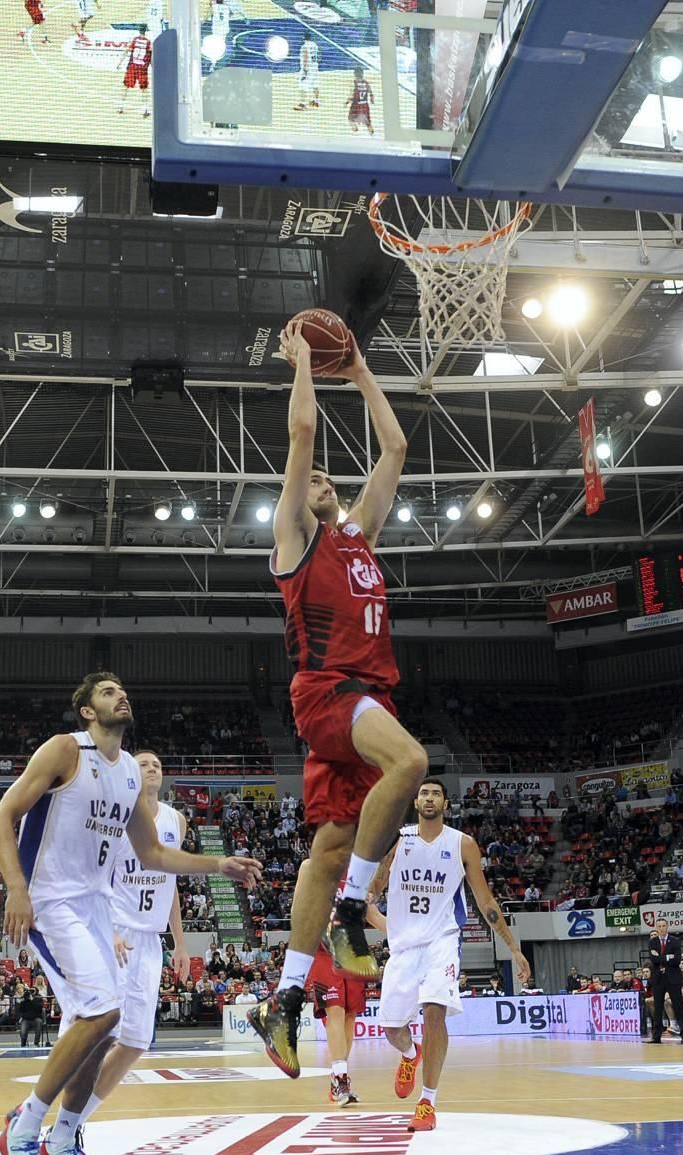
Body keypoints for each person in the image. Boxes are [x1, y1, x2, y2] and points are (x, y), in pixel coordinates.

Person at [0, 672, 261, 1155]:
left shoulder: (130, 773)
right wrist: (16, 889)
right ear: (88, 710)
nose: (121, 695)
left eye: (122, 690)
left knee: (108, 1030)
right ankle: (23, 1130)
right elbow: (2, 818)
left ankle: (63, 1140)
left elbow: (153, 854)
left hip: (93, 904)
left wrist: (218, 863)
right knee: (102, 1010)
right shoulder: (65, 750)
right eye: (108, 692)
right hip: (49, 900)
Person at [247, 320, 427, 1078]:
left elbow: (394, 451)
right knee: (413, 761)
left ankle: (283, 999)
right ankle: (355, 908)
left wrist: (358, 370)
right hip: (330, 692)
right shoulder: (294, 538)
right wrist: (303, 366)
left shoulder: (358, 536)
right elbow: (300, 431)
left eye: (325, 480)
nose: (318, 481)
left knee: (324, 851)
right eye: (311, 478)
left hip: (361, 701)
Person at [371, 778, 530, 1132]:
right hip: (402, 946)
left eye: (436, 794)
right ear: (416, 802)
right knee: (392, 1029)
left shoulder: (463, 844)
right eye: (424, 792)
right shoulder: (400, 839)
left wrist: (514, 948)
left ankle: (427, 1101)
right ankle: (411, 1054)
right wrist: (359, 904)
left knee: (434, 1013)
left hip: (441, 941)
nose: (429, 797)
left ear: (445, 803)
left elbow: (486, 903)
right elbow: (376, 885)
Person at [55, 748, 191, 1130]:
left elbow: (172, 883)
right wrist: (108, 930)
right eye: (144, 764)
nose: (152, 769)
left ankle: (74, 1123)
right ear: (132, 773)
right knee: (97, 1033)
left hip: (150, 941)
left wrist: (179, 943)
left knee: (135, 1042)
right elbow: (94, 877)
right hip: (113, 934)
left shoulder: (176, 822)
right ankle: (49, 1118)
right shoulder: (115, 819)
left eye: (157, 765)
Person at [297, 859, 384, 1105]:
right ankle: (340, 1077)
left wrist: (406, 932)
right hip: (325, 950)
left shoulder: (360, 873)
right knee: (334, 1012)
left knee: (349, 1016)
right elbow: (298, 910)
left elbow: (372, 915)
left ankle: (339, 1080)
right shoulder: (310, 866)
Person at [648, 919, 683, 1044]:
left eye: (663, 926)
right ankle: (656, 1037)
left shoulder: (675, 941)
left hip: (673, 978)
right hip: (658, 978)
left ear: (667, 927)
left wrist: (660, 957)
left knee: (678, 1006)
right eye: (659, 926)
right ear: (656, 927)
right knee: (658, 1008)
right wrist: (667, 956)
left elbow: (676, 960)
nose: (661, 928)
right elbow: (653, 960)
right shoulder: (653, 941)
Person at [117, 26, 152, 118]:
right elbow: (151, 57)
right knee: (144, 89)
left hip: (133, 66)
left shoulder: (135, 40)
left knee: (125, 86)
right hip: (142, 68)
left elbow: (126, 51)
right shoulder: (148, 42)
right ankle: (145, 109)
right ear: (145, 31)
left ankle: (121, 106)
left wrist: (120, 62)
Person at [295, 35, 320, 111]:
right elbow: (319, 56)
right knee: (315, 84)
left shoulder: (304, 46)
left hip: (308, 68)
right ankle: (316, 101)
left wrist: (305, 70)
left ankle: (302, 104)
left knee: (303, 85)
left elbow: (305, 57)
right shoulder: (315, 45)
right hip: (315, 67)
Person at [347, 68, 374, 134]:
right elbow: (371, 93)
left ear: (355, 74)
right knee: (367, 121)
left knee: (350, 119)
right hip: (365, 105)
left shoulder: (354, 83)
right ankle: (371, 131)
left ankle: (355, 129)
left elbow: (352, 95)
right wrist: (372, 99)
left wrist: (347, 101)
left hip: (356, 104)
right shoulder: (366, 83)